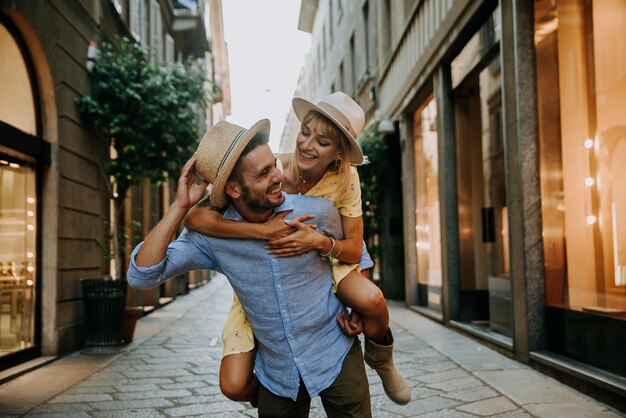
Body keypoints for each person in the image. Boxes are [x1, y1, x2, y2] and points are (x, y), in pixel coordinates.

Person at [127, 119, 372, 417]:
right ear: (233, 189)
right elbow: (142, 275)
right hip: (277, 373)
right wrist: (179, 208)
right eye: (264, 173)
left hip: (335, 351)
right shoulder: (212, 238)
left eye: (274, 165)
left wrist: (359, 305)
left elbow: (356, 252)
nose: (279, 176)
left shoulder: (316, 211)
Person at [184, 92, 411, 406]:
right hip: (265, 278)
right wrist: (261, 230)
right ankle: (270, 393)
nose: (307, 144)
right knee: (233, 385)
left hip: (327, 259)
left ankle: (382, 360)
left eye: (323, 141)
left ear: (339, 154)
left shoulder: (347, 180)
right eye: (305, 132)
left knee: (372, 299)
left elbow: (355, 248)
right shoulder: (270, 169)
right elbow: (195, 216)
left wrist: (318, 242)